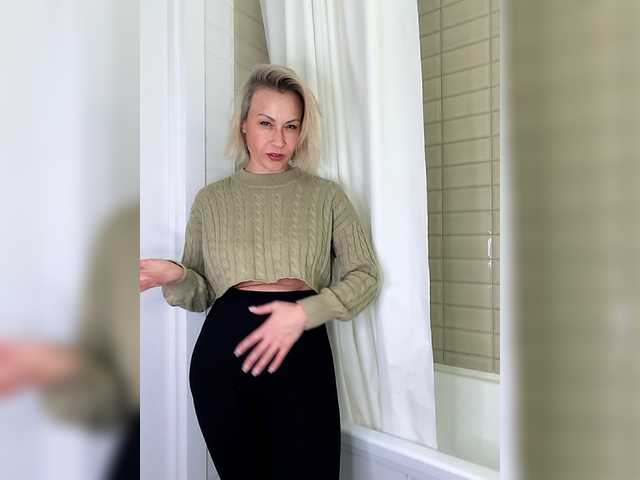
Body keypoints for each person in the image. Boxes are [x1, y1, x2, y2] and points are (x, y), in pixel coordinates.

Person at [139, 63, 381, 480]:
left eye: (291, 126)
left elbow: (366, 274)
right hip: (223, 363)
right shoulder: (211, 200)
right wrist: (175, 275)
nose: (279, 140)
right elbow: (202, 293)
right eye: (266, 123)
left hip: (301, 355)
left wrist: (304, 313)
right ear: (244, 125)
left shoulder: (326, 197)